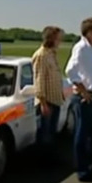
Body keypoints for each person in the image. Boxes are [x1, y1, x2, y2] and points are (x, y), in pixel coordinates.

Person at [65, 17, 92, 182]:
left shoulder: (91, 48)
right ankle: (83, 170)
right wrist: (82, 91)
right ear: (89, 32)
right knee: (83, 135)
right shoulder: (81, 48)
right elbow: (70, 71)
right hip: (84, 97)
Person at [31, 26, 65, 162]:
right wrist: (43, 103)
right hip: (47, 102)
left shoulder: (52, 54)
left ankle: (51, 158)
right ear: (51, 38)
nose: (60, 41)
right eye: (58, 38)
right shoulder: (41, 55)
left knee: (52, 132)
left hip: (55, 99)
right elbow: (39, 80)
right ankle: (44, 161)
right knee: (45, 133)